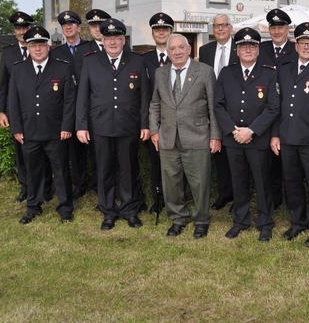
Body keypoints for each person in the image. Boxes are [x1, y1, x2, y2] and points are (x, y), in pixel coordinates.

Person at [76, 18, 150, 231]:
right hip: (100, 126)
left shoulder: (137, 61)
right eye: (109, 38)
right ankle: (108, 211)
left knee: (128, 169)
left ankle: (129, 210)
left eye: (118, 38)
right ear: (103, 39)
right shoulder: (90, 61)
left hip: (128, 125)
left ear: (123, 40)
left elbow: (144, 97)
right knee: (104, 170)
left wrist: (145, 124)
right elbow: (83, 97)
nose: (113, 42)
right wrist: (81, 126)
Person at [149, 34, 221, 238]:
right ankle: (177, 218)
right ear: (168, 52)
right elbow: (155, 103)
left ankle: (201, 220)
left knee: (199, 182)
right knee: (171, 182)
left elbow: (213, 106)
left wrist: (216, 135)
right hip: (168, 137)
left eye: (181, 47)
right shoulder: (160, 73)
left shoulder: (205, 72)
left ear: (189, 49)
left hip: (197, 135)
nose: (177, 52)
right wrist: (155, 130)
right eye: (173, 49)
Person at [270, 22, 309, 247]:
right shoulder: (284, 67)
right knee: (292, 183)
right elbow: (277, 105)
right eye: (303, 43)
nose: (306, 46)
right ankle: (297, 223)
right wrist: (276, 134)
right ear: (295, 45)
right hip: (287, 137)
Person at [214, 27, 280, 242]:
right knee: (238, 181)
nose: (248, 50)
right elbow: (218, 105)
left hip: (257, 139)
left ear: (258, 50)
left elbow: (273, 107)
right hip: (233, 139)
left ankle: (265, 223)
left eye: (252, 46)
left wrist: (251, 130)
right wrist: (234, 130)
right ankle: (240, 221)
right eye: (244, 46)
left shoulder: (269, 73)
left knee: (262, 183)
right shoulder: (226, 73)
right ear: (237, 50)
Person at [8, 26, 76, 224]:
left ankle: (65, 208)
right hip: (29, 131)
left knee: (61, 171)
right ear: (27, 47)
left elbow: (69, 101)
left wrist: (66, 126)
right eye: (32, 45)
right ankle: (33, 206)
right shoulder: (18, 69)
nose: (37, 49)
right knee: (33, 171)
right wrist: (17, 128)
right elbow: (13, 102)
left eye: (41, 45)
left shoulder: (62, 67)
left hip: (56, 131)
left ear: (49, 46)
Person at [258, 8, 297, 210]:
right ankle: (273, 200)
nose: (276, 31)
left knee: (288, 163)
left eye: (280, 27)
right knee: (268, 162)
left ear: (288, 29)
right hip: (264, 112)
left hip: (288, 112)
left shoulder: (295, 49)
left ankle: (292, 201)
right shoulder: (260, 49)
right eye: (273, 27)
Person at [198, 14, 238, 211]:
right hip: (213, 109)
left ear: (230, 27)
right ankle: (224, 194)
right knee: (219, 154)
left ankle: (238, 196)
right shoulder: (205, 50)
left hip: (235, 110)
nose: (220, 29)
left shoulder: (241, 47)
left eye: (224, 25)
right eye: (216, 26)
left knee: (236, 156)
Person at [51, 10, 90, 200]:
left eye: (72, 24)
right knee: (74, 150)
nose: (68, 27)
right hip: (67, 106)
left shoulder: (90, 48)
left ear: (79, 28)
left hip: (91, 104)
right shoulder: (56, 52)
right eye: (64, 26)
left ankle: (98, 181)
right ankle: (79, 183)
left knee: (96, 147)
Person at [0, 11, 34, 202]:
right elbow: (3, 84)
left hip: (37, 109)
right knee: (20, 152)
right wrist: (1, 111)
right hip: (16, 110)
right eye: (18, 28)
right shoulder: (8, 53)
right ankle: (25, 188)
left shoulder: (41, 48)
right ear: (14, 31)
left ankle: (43, 187)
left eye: (25, 27)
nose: (22, 32)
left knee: (40, 151)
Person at [142, 12, 175, 214]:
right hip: (154, 121)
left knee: (176, 165)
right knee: (156, 163)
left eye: (165, 29)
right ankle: (158, 198)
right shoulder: (143, 60)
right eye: (157, 29)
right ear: (153, 33)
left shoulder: (180, 57)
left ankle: (176, 198)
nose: (161, 32)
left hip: (175, 121)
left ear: (171, 32)